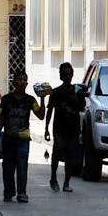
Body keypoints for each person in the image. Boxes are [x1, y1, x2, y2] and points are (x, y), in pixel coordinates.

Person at [0, 72, 44, 203]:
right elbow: (1, 119)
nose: (22, 82)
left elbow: (41, 115)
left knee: (22, 166)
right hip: (8, 137)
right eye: (19, 79)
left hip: (23, 139)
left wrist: (42, 98)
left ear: (27, 83)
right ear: (13, 82)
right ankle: (8, 192)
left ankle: (22, 193)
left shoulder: (31, 100)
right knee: (8, 167)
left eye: (24, 80)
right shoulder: (6, 99)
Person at [44, 62, 87, 193]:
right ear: (60, 76)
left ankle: (66, 182)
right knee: (57, 153)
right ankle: (53, 178)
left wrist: (75, 100)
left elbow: (82, 107)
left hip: (73, 129)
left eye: (69, 74)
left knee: (71, 157)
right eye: (65, 74)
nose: (67, 76)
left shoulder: (78, 91)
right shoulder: (56, 92)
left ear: (72, 75)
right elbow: (50, 110)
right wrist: (46, 128)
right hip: (59, 129)